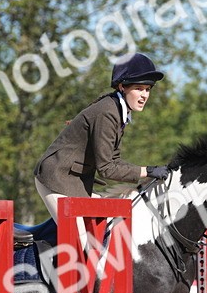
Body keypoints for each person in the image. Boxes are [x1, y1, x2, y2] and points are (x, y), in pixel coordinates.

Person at [34, 52, 170, 223]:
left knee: (106, 224)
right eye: (139, 89)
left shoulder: (118, 111)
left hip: (74, 181)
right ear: (122, 86)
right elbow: (107, 168)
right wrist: (148, 171)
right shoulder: (107, 112)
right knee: (82, 242)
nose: (144, 95)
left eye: (148, 89)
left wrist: (149, 170)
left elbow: (114, 159)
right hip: (56, 179)